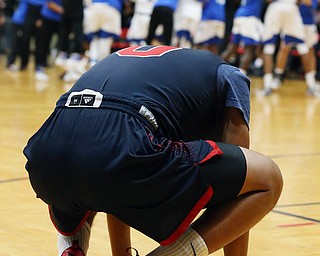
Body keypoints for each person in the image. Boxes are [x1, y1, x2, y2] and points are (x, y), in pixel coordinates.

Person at [23, 45, 283, 256]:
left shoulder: (132, 64)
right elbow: (240, 183)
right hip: (117, 148)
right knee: (267, 178)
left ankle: (71, 247)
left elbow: (116, 184)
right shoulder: (230, 75)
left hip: (46, 154)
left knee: (96, 161)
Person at [259, 0, 318, 96]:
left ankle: (267, 86)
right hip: (291, 7)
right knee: (302, 47)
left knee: (268, 47)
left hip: (276, 7)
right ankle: (311, 85)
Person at [220, 0, 264, 75]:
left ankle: (215, 68)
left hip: (239, 15)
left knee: (232, 47)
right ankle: (240, 77)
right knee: (249, 49)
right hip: (249, 17)